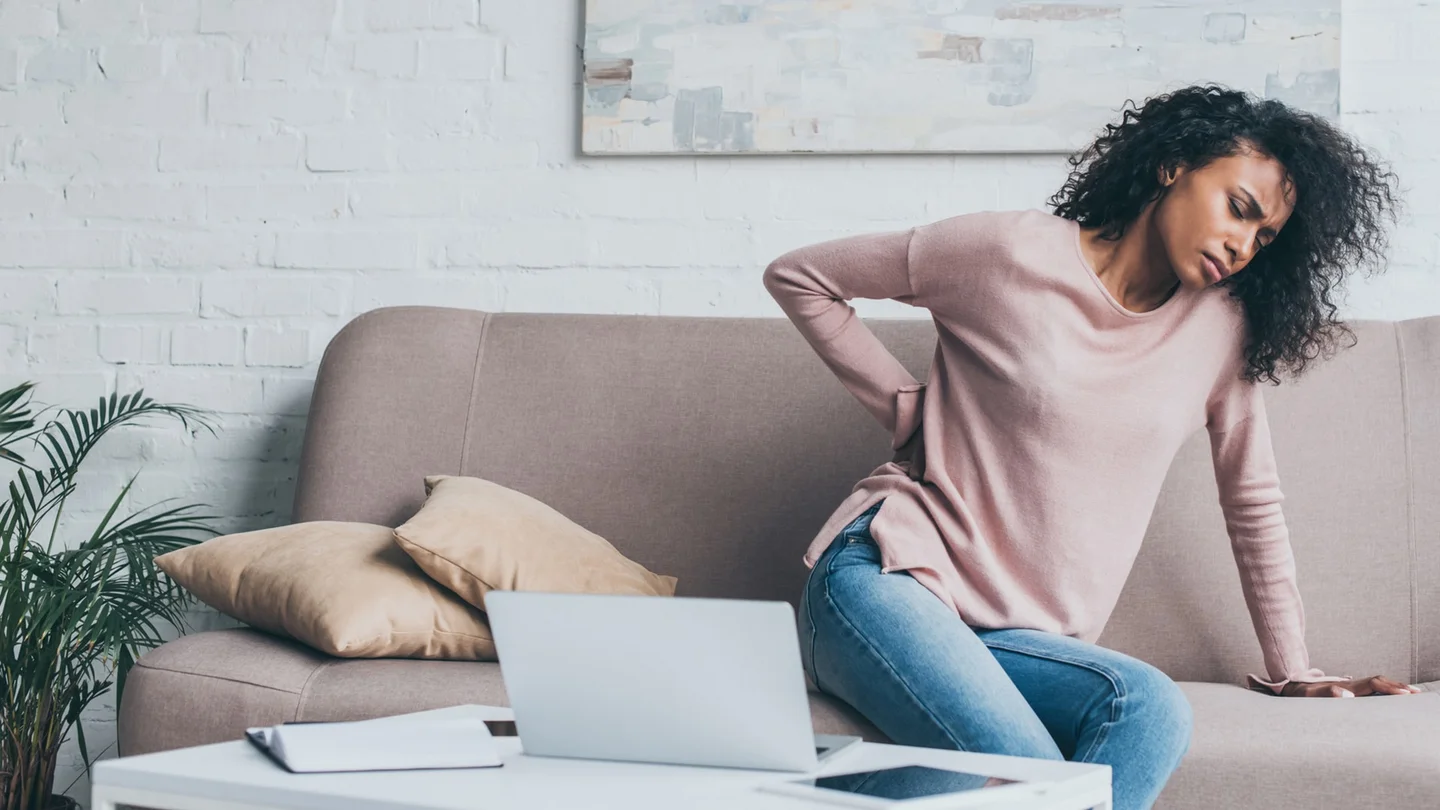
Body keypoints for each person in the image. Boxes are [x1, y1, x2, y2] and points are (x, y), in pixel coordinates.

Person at [762, 84, 1416, 810]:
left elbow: (1252, 500)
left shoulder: (1221, 330)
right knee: (1023, 769)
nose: (1242, 244)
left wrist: (1293, 667)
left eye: (1264, 238)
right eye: (1240, 209)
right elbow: (802, 277)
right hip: (888, 577)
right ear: (1173, 166)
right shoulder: (1006, 252)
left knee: (1151, 709)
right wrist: (908, 407)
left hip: (1015, 639)